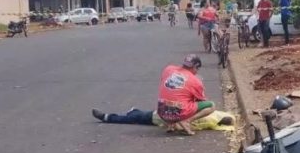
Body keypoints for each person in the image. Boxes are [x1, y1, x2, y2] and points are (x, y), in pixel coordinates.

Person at [157, 55, 215, 135]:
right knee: (211, 105)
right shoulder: (196, 81)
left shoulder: (168, 69)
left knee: (176, 97)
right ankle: (187, 121)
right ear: (195, 67)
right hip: (178, 113)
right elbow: (202, 100)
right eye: (197, 69)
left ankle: (172, 124)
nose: (197, 71)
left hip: (162, 111)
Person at [91, 107, 235, 129]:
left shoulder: (212, 113)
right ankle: (133, 112)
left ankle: (106, 117)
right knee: (140, 117)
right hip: (166, 116)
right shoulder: (211, 121)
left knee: (136, 118)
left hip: (164, 116)